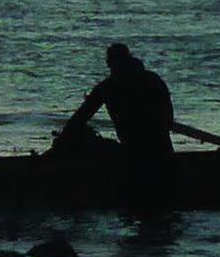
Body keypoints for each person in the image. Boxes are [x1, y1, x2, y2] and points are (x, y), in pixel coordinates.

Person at [62, 43, 177, 204]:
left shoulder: (109, 86)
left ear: (111, 63)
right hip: (163, 151)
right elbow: (168, 116)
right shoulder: (153, 79)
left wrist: (63, 140)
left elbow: (80, 117)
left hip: (135, 153)